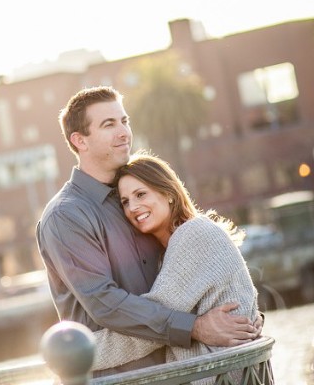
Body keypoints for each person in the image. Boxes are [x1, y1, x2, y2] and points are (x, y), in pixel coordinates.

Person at [36, 86, 258, 376]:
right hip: (117, 378)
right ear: (80, 141)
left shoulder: (140, 201)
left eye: (124, 121)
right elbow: (106, 305)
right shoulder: (66, 216)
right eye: (109, 124)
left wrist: (244, 319)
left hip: (176, 372)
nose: (124, 132)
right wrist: (194, 328)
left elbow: (202, 283)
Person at [90, 152, 259, 373]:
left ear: (168, 192)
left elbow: (150, 327)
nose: (132, 207)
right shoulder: (169, 250)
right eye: (125, 202)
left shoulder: (193, 235)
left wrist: (80, 356)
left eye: (140, 194)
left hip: (218, 376)